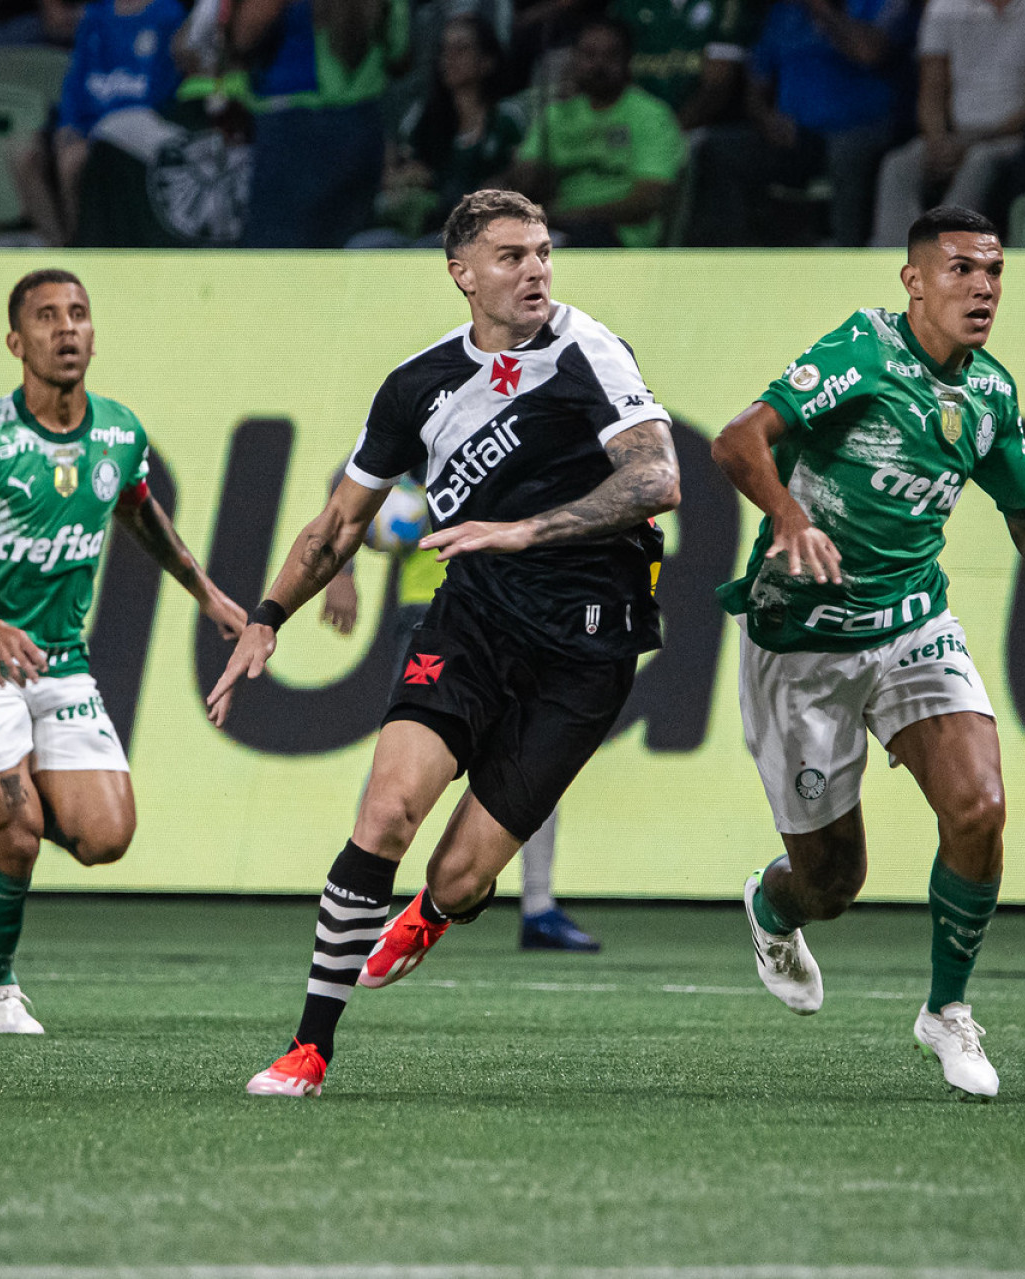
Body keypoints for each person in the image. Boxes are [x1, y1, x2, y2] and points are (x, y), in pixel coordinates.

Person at [215, 188, 679, 1098]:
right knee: (385, 812)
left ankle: (433, 912)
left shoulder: (590, 349)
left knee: (462, 878)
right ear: (462, 274)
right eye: (512, 256)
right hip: (472, 623)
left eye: (544, 251)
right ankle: (310, 1048)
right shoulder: (416, 384)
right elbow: (338, 525)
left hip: (590, 643)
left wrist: (524, 529)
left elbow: (658, 477)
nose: (536, 269)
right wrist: (265, 618)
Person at [709, 205, 1025, 1100]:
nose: (984, 287)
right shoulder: (861, 352)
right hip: (800, 646)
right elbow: (736, 440)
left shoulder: (988, 396)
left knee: (980, 805)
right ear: (913, 280)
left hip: (912, 624)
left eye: (995, 271)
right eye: (961, 268)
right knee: (833, 879)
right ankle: (773, 909)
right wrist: (791, 517)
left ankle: (946, 1011)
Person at [0, 269, 248, 1035]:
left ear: (93, 332)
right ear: (16, 342)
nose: (67, 329)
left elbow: (139, 513)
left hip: (59, 662)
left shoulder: (119, 433)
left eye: (79, 314)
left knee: (106, 838)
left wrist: (209, 594)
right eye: (47, 317)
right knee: (17, 833)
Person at [320, 474, 602, 950]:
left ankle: (539, 908)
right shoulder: (437, 412)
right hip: (430, 615)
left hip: (517, 615)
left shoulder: (531, 424)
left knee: (532, 760)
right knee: (401, 766)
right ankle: (361, 894)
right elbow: (351, 477)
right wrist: (342, 573)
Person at [688, 0, 911, 245]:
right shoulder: (784, 12)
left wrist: (822, 9)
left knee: (847, 155)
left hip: (863, 128)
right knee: (718, 148)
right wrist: (767, 119)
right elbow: (756, 82)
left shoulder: (879, 5)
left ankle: (849, 255)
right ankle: (731, 258)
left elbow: (868, 52)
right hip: (794, 133)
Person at [869, 0, 1025, 245]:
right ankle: (894, 256)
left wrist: (975, 139)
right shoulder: (944, 7)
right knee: (898, 164)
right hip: (955, 134)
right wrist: (937, 140)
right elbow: (931, 91)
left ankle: (945, 251)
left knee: (979, 160)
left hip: (1014, 135)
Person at [9, 0, 189, 247]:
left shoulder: (168, 13)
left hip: (128, 128)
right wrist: (67, 125)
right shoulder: (95, 14)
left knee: (73, 161)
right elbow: (75, 79)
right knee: (21, 152)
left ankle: (82, 249)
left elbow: (162, 90)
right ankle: (58, 246)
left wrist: (98, 132)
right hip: (84, 122)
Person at [233, 0, 411, 248]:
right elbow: (399, 49)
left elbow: (248, 30)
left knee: (278, 258)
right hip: (362, 125)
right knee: (342, 251)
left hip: (294, 128)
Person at [506, 16, 686, 247]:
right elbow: (524, 173)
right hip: (554, 227)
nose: (599, 64)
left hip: (617, 238)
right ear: (575, 60)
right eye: (589, 55)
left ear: (628, 59)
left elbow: (648, 199)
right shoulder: (557, 114)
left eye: (611, 55)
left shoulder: (651, 115)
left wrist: (577, 216)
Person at [355, 14, 525, 246]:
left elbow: (516, 179)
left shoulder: (506, 119)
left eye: (461, 49)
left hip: (481, 231)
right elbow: (396, 175)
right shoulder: (421, 118)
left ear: (487, 61)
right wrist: (409, 178)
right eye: (444, 50)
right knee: (365, 245)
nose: (449, 58)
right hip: (422, 225)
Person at [612, 0, 753, 129]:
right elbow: (610, 69)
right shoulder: (625, 4)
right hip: (634, 126)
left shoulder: (725, 4)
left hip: (701, 131)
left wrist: (670, 133)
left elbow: (717, 86)